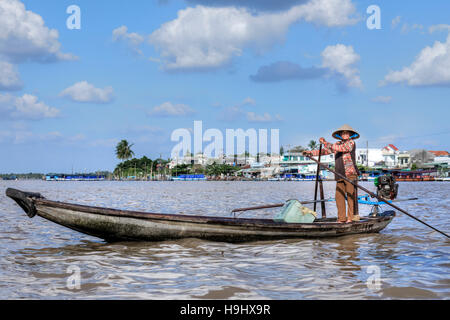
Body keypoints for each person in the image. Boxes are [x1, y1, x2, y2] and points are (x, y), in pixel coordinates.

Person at [304, 124, 360, 223]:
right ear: (340, 135)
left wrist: (325, 142)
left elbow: (342, 148)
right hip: (339, 174)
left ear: (350, 134)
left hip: (350, 174)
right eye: (343, 133)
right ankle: (341, 218)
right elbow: (325, 151)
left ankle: (350, 218)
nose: (345, 135)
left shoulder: (351, 143)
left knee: (350, 196)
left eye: (347, 133)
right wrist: (310, 153)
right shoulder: (337, 144)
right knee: (339, 196)